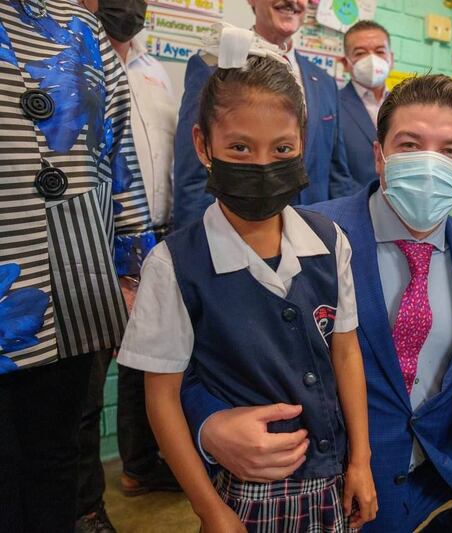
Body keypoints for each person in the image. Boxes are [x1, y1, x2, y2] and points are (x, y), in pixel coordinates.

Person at [182, 74, 452, 532]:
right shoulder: (301, 237)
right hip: (324, 490)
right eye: (409, 145)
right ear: (379, 154)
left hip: (444, 481)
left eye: (450, 151)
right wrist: (209, 425)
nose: (429, 163)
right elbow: (193, 362)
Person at [117, 47, 377, 532]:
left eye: (281, 149)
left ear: (302, 142)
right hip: (238, 494)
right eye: (240, 148)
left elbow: (345, 351)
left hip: (331, 480)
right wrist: (209, 510)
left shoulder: (329, 241)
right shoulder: (173, 264)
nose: (261, 165)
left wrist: (360, 460)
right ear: (203, 145)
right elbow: (162, 398)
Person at [0, 1, 154, 531]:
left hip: (73, 281)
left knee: (57, 462)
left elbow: (119, 157)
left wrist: (134, 272)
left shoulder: (80, 27)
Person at [74, 1, 180, 531]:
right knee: (87, 378)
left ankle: (141, 466)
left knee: (149, 363)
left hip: (157, 234)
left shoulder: (154, 67)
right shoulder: (69, 55)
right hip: (89, 241)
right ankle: (84, 505)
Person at [172, 0, 354, 230]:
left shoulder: (324, 82)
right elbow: (192, 176)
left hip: (312, 237)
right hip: (232, 235)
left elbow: (338, 175)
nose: (292, 2)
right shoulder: (213, 65)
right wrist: (194, 248)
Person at [339, 20, 393, 189]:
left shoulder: (407, 107)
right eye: (361, 53)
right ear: (346, 63)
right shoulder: (332, 105)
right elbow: (334, 175)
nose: (372, 59)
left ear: (391, 59)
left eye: (380, 51)